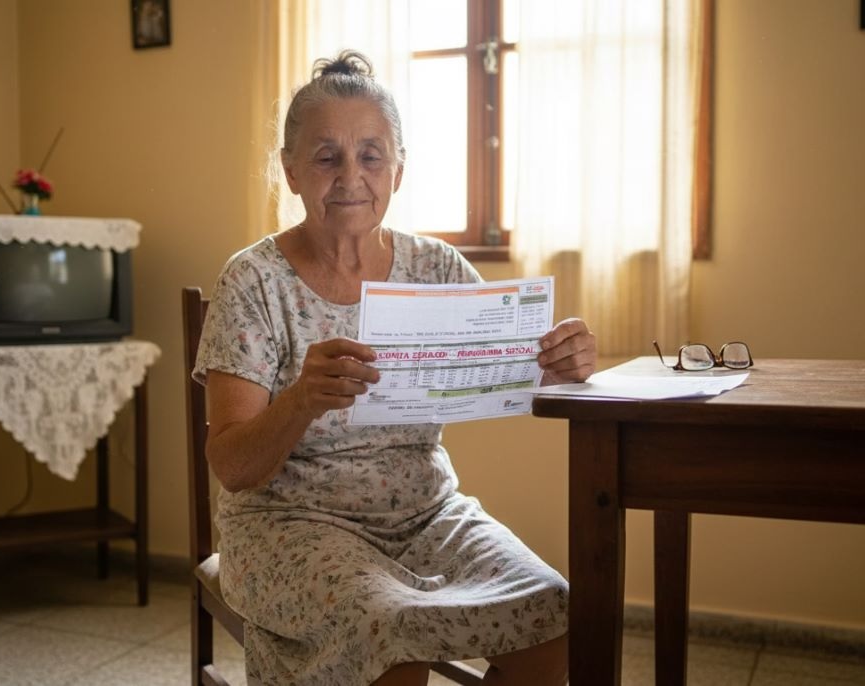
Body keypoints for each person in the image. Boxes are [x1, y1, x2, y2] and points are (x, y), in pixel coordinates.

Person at [194, 50, 597, 686]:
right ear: (291, 171)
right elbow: (232, 466)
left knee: (556, 610)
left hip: (427, 513)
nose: (350, 175)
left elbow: (510, 369)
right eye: (327, 156)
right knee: (389, 629)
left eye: (371, 155)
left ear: (398, 172)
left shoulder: (435, 270)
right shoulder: (253, 281)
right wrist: (300, 399)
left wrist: (563, 361)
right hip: (286, 525)